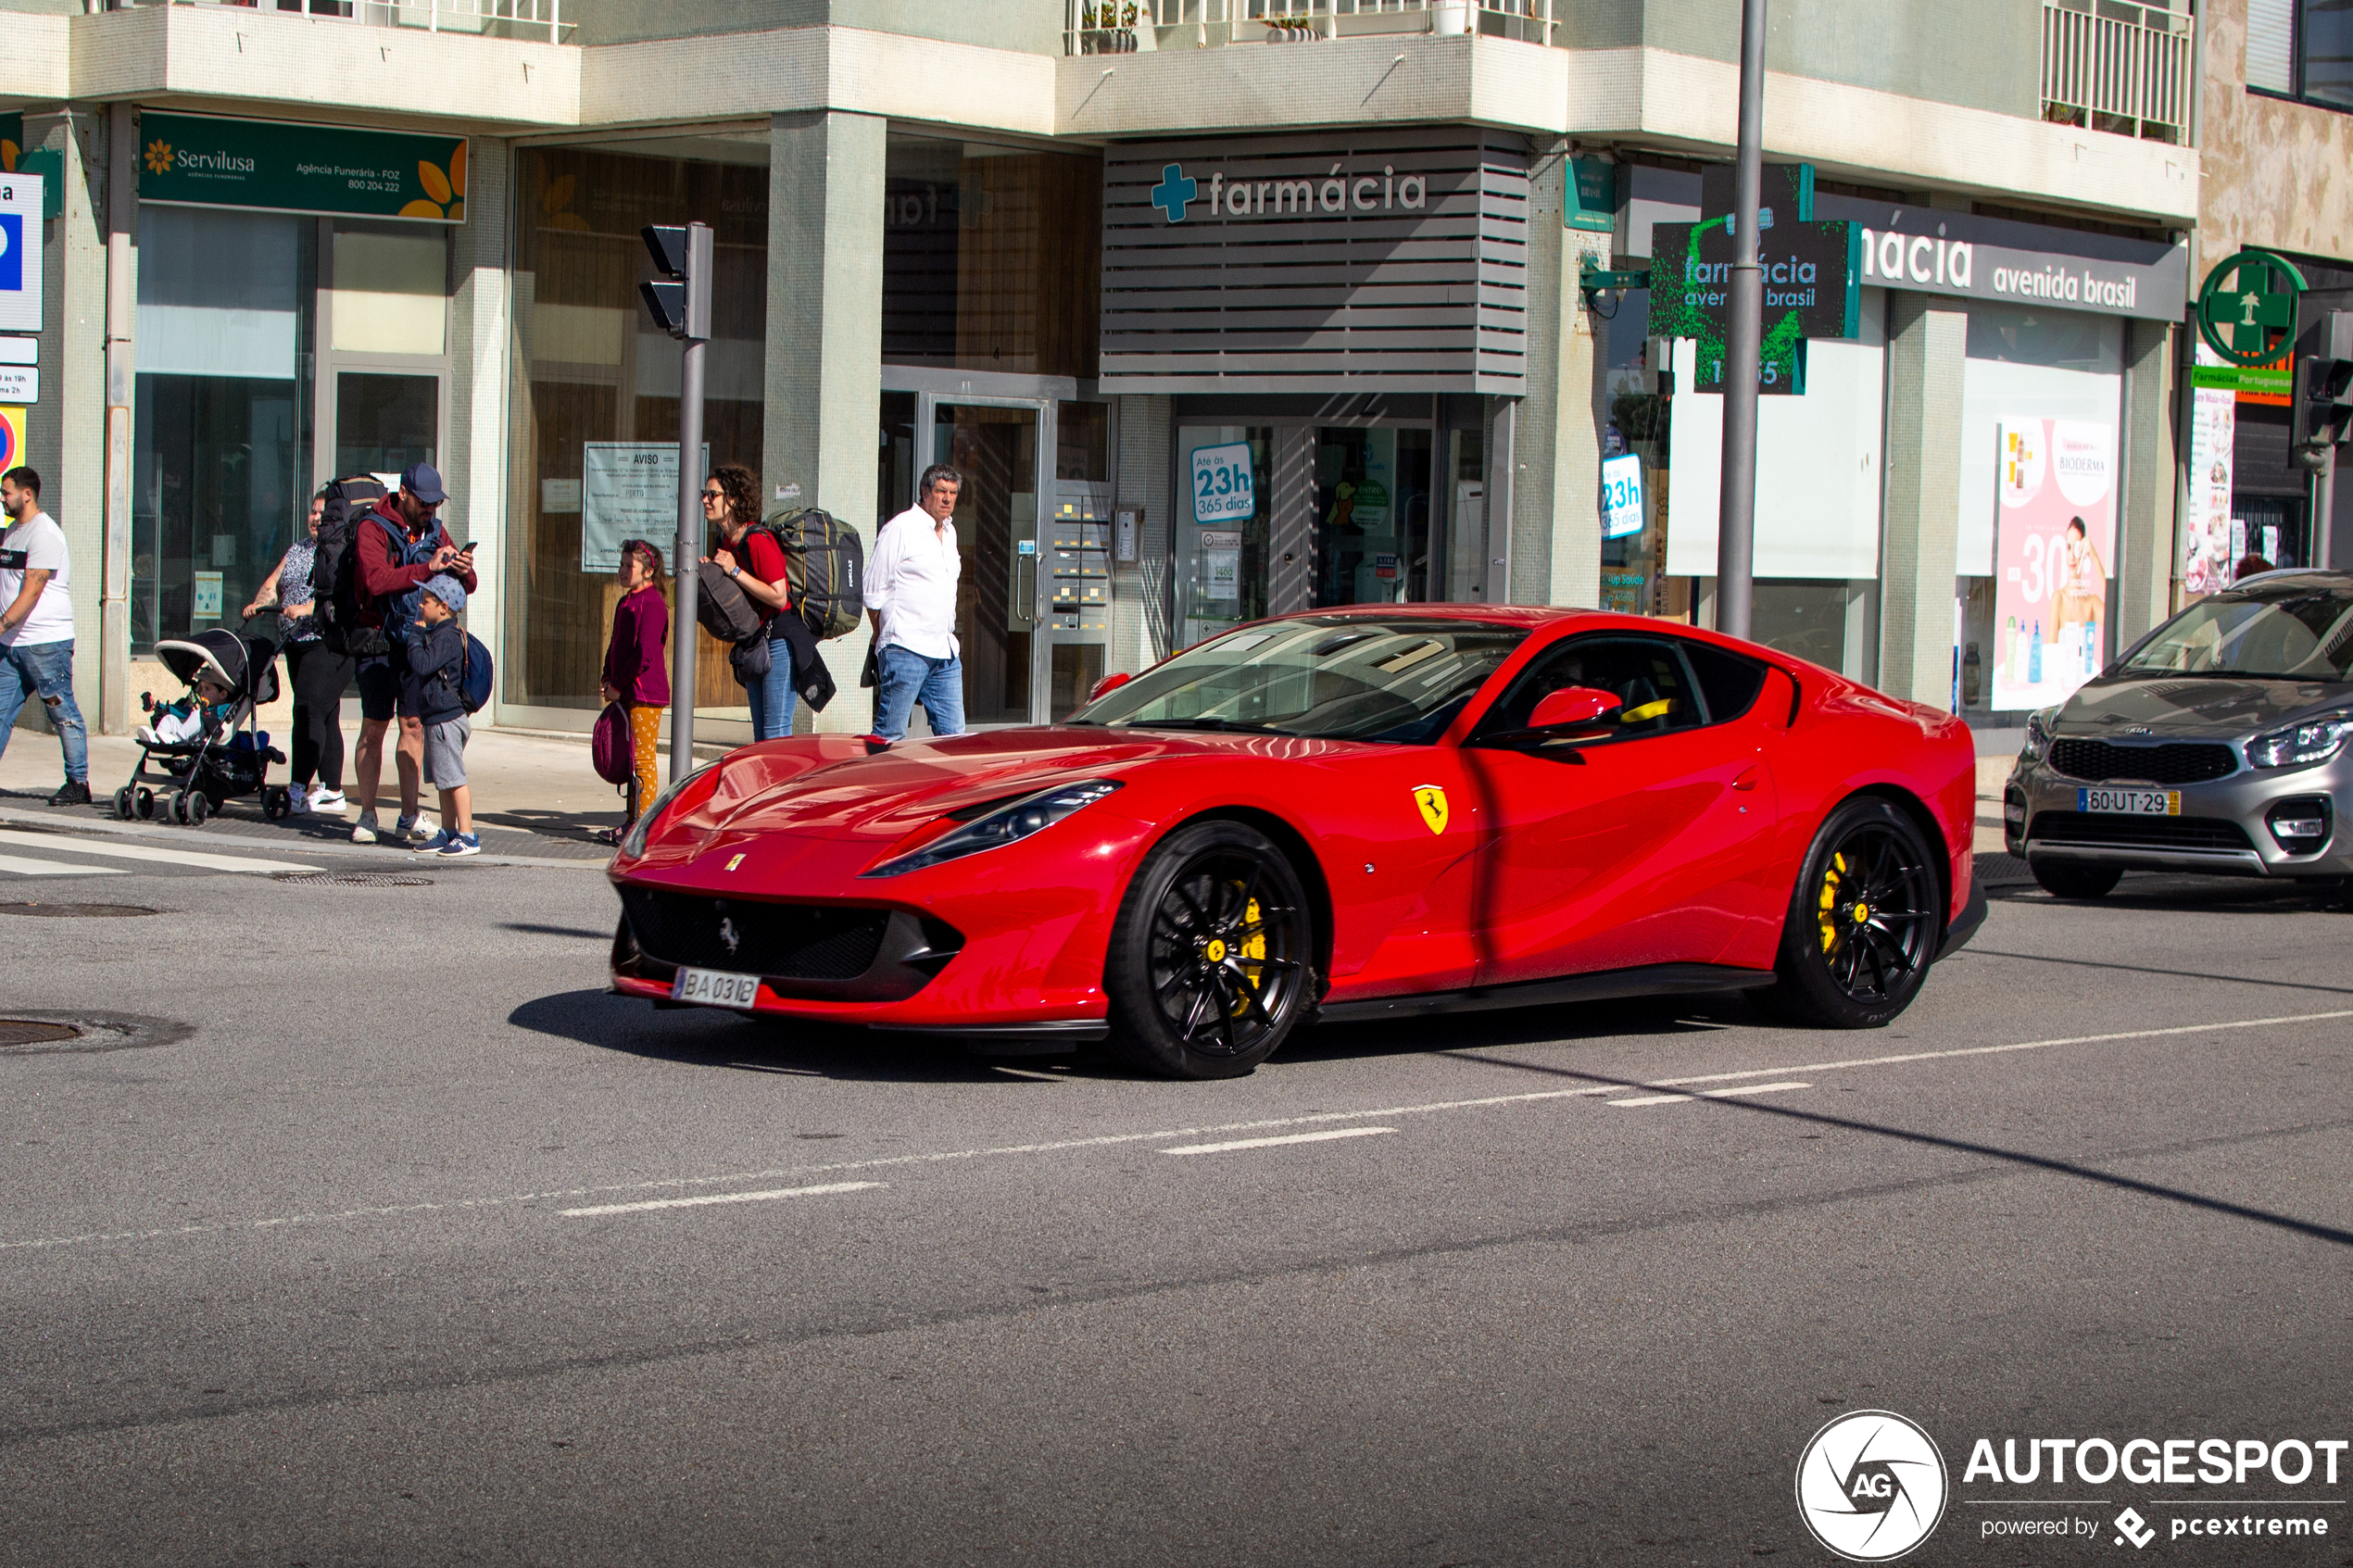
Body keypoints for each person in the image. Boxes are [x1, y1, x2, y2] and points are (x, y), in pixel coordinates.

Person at [349, 462, 475, 845]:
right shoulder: (372, 527)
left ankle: (409, 814)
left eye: (436, 504)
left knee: (413, 726)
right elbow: (375, 580)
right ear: (403, 493)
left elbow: (464, 587)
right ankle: (368, 813)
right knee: (374, 728)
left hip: (416, 642)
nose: (430, 510)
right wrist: (426, 565)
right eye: (424, 502)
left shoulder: (435, 531)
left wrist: (464, 570)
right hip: (376, 641)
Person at [242, 486, 349, 816]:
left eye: (323, 513)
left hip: (328, 643)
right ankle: (332, 791)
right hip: (296, 645)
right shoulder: (298, 548)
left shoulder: (342, 551)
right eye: (313, 512)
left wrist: (306, 609)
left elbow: (343, 597)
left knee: (307, 710)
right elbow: (275, 583)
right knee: (326, 716)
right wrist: (259, 604)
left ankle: (299, 787)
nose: (316, 518)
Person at [0, 466, 90, 806]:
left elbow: (32, 591)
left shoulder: (45, 534)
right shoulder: (12, 531)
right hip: (11, 647)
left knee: (61, 711)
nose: (2, 498)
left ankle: (78, 783)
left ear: (27, 494)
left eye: (6, 492)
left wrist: (1, 626)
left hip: (45, 645)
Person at [865, 462, 966, 742]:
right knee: (890, 735)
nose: (947, 499)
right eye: (941, 491)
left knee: (955, 739)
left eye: (953, 493)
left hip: (945, 652)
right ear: (925, 491)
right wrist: (882, 634)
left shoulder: (950, 533)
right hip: (906, 647)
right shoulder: (900, 528)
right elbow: (873, 592)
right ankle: (877, 784)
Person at [700, 463, 799, 740]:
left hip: (779, 638)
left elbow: (779, 597)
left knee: (775, 733)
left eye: (713, 495)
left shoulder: (758, 540)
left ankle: (783, 784)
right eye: (704, 494)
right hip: (755, 641)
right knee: (761, 736)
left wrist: (734, 570)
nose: (706, 501)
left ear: (733, 499)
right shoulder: (726, 541)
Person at [400, 574, 479, 859]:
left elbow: (422, 664)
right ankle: (448, 831)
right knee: (443, 780)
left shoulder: (446, 637)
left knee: (454, 778)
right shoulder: (442, 634)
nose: (421, 606)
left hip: (447, 718)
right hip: (436, 717)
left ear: (444, 607)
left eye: (426, 601)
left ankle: (467, 834)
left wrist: (416, 636)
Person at [598, 537, 671, 842]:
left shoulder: (653, 604)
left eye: (631, 566)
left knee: (642, 758)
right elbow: (615, 644)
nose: (624, 570)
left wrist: (618, 685)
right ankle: (631, 820)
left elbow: (645, 654)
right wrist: (607, 677)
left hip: (644, 693)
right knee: (629, 758)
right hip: (625, 690)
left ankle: (643, 825)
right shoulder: (625, 602)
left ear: (648, 572)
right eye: (622, 564)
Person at [2049, 516, 2107, 632]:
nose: (2072, 557)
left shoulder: (2091, 603)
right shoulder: (2059, 598)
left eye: (2076, 548)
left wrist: (2094, 557)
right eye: (2069, 548)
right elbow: (2051, 647)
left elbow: (2112, 616)